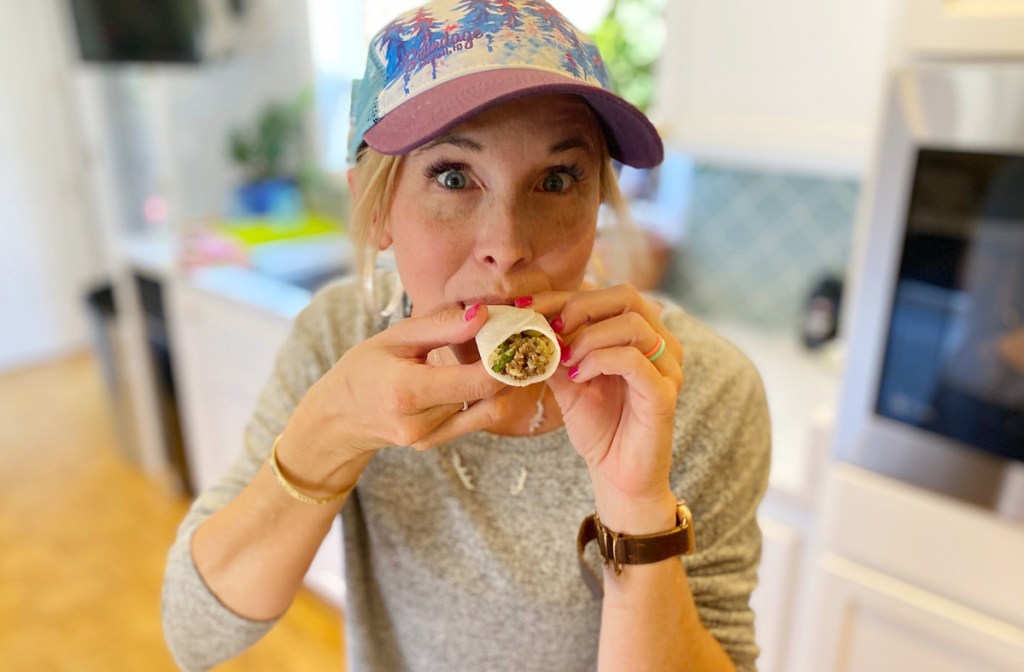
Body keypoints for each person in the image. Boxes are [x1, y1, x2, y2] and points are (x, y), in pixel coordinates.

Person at [162, 2, 770, 671]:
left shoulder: (691, 388)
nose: (507, 246)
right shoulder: (339, 336)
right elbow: (198, 636)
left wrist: (635, 503)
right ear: (375, 207)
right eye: (453, 175)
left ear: (597, 199)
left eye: (557, 178)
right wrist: (331, 431)